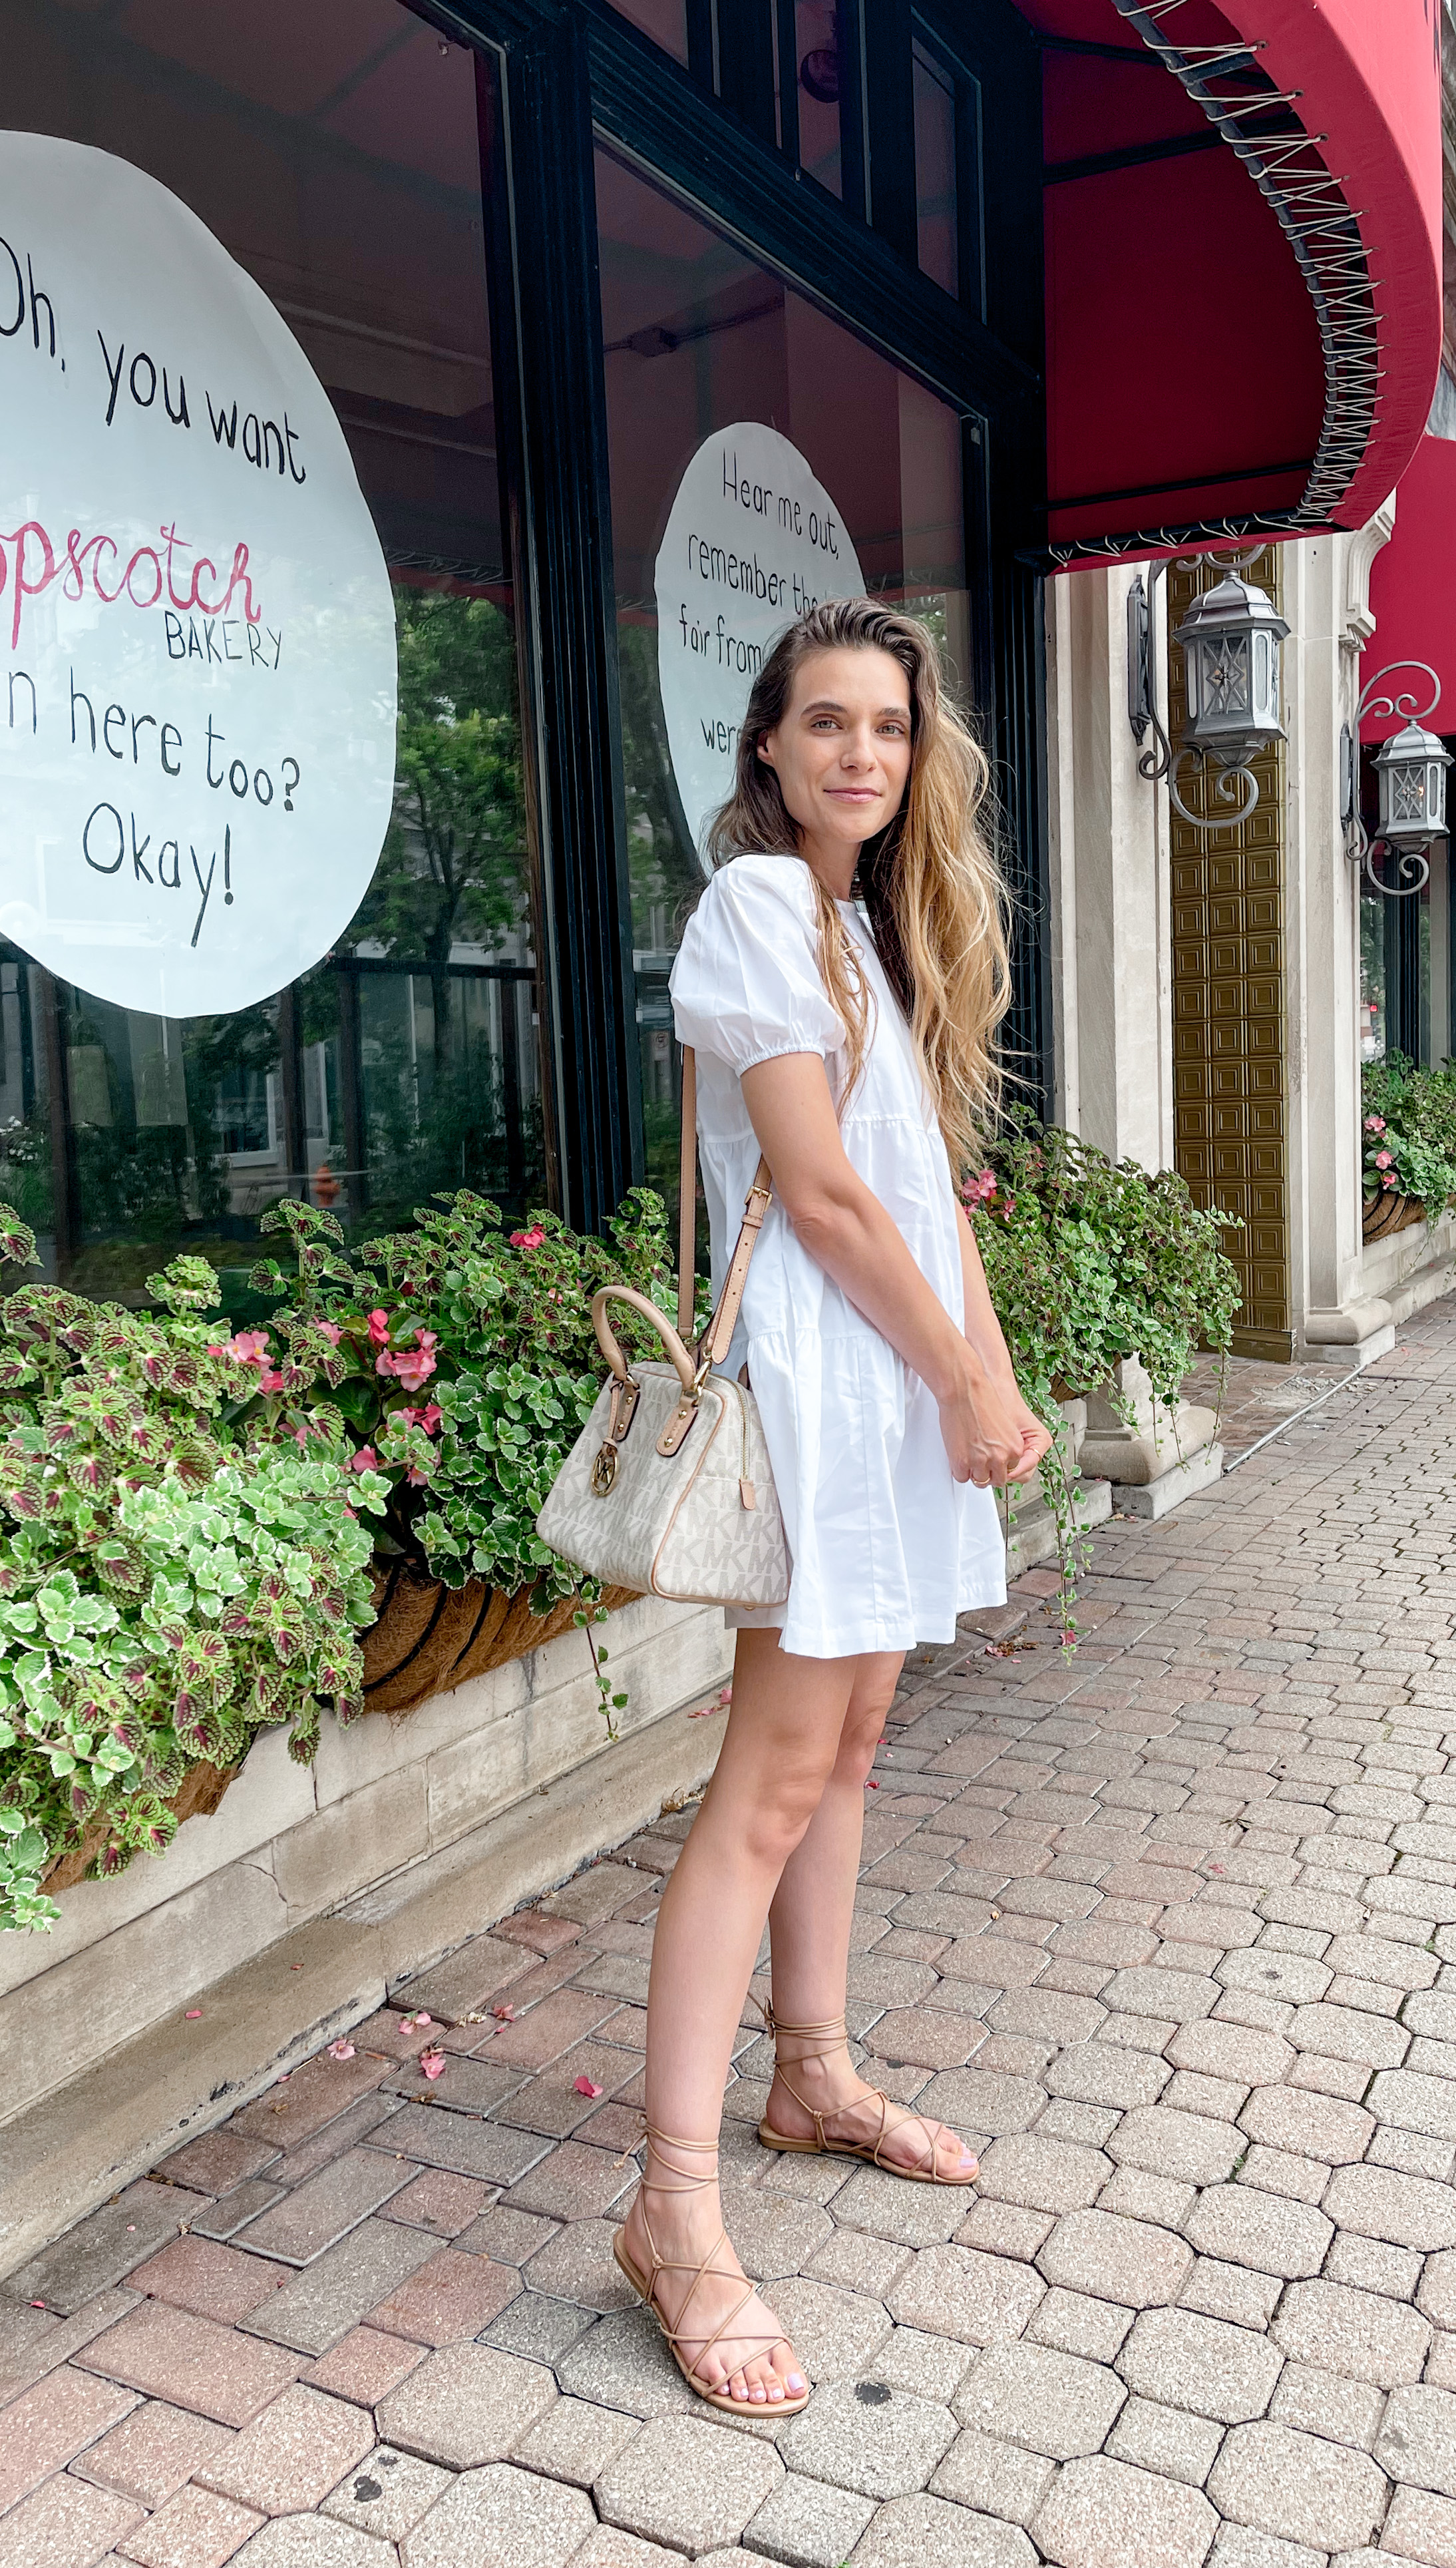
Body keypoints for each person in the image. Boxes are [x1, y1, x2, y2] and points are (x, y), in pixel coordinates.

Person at [613, 598, 1053, 2416]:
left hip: (898, 1380)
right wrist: (958, 1376)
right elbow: (810, 1190)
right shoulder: (752, 910)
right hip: (819, 1380)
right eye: (827, 722)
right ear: (770, 749)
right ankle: (673, 2207)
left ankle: (811, 2071)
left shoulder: (872, 928)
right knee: (771, 1780)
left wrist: (993, 1364)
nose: (861, 750)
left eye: (888, 724)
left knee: (853, 1750)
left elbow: (930, 1192)